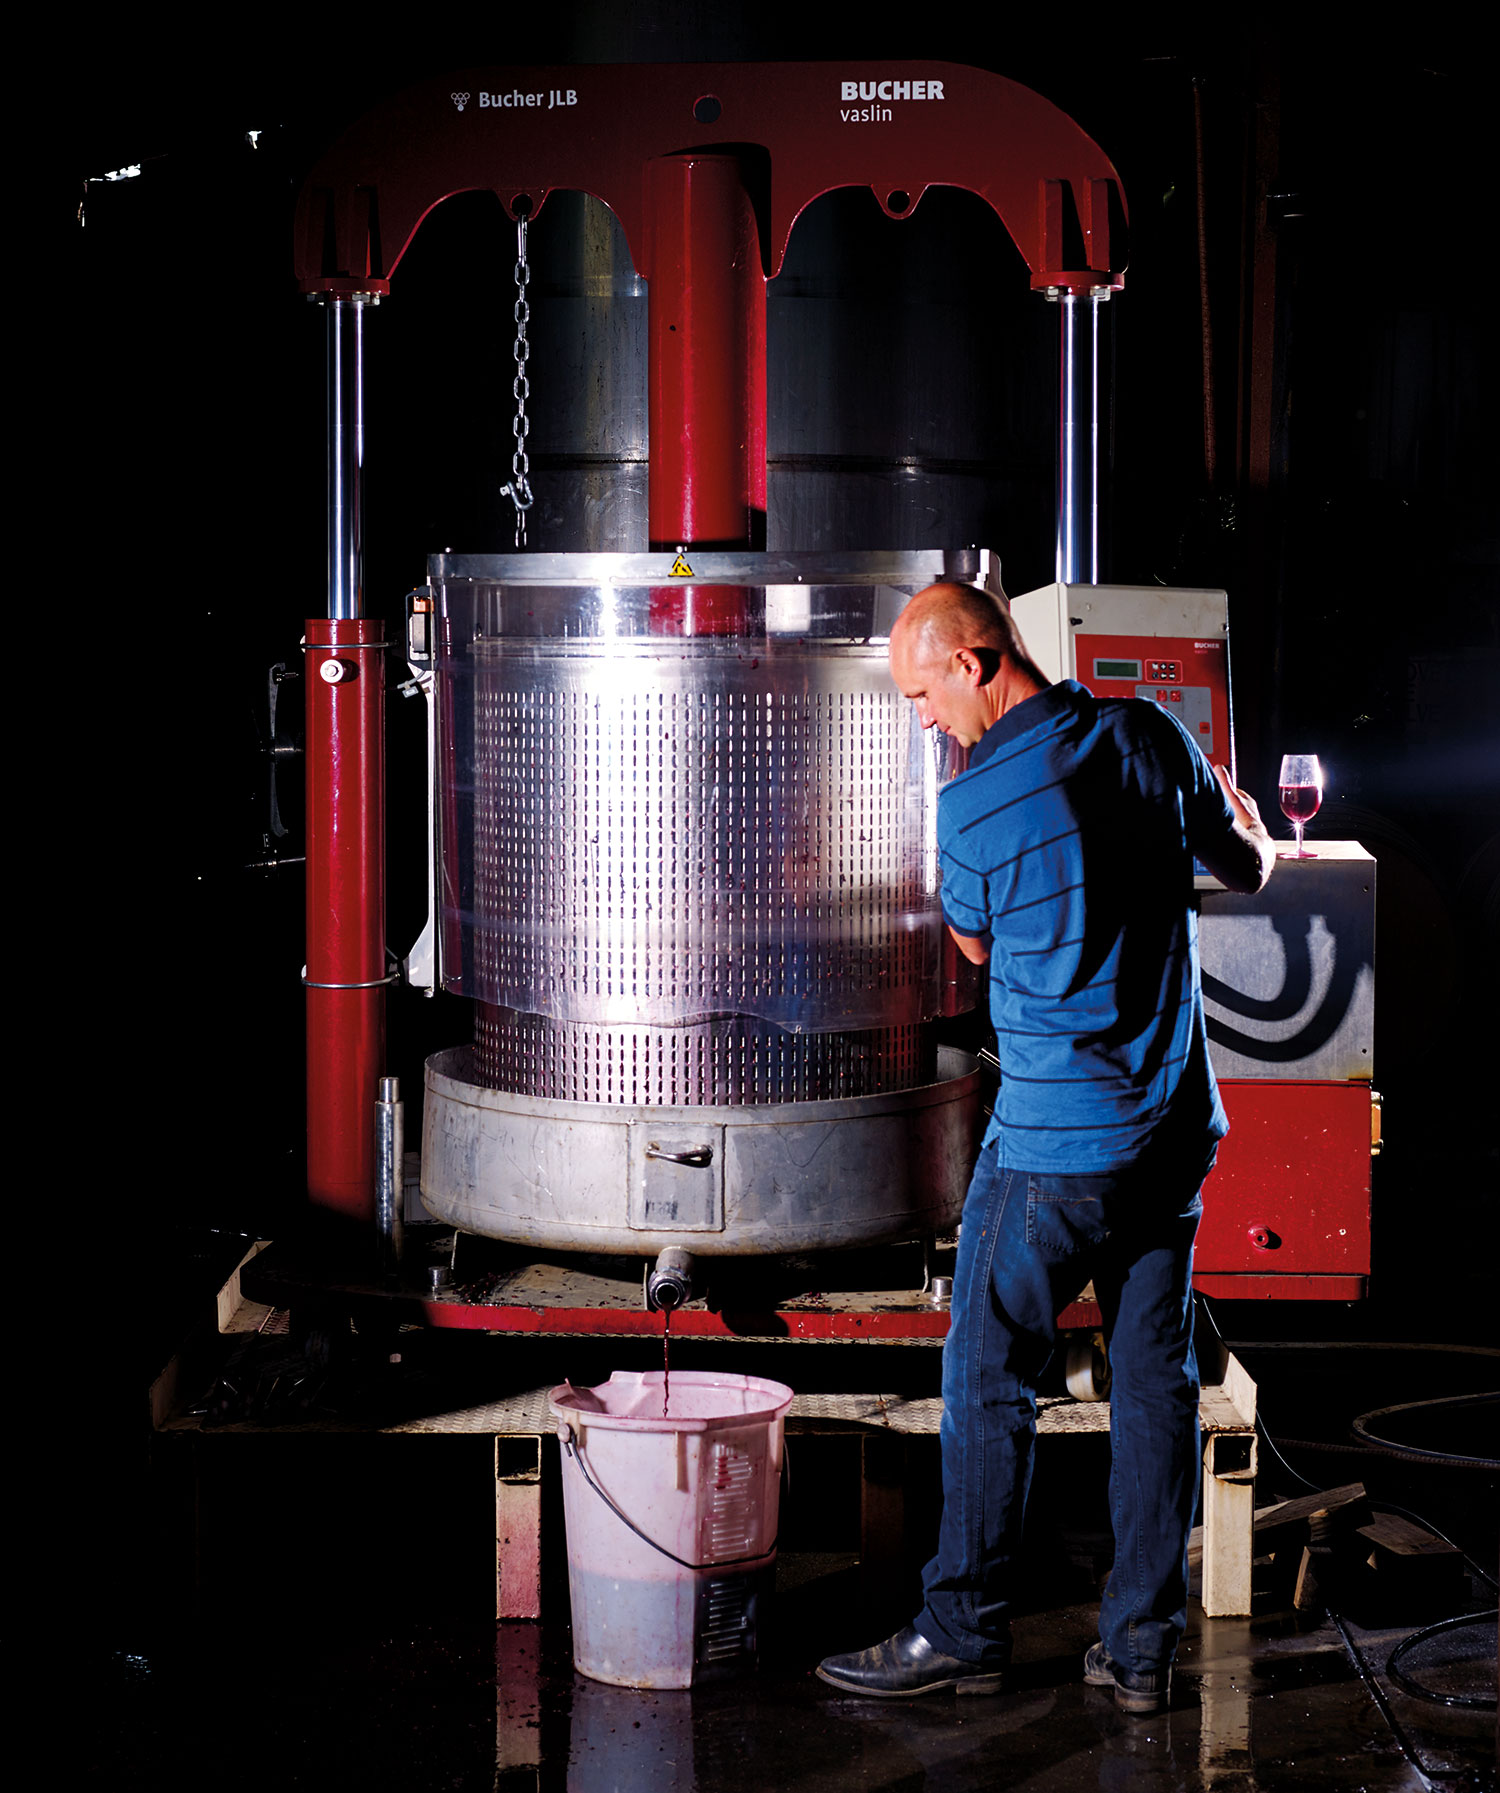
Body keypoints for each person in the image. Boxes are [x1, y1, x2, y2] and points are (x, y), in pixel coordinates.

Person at [817, 582, 1274, 1714]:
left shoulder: (972, 805)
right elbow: (1247, 862)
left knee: (986, 1379)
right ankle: (1140, 1647)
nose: (924, 718)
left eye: (923, 693)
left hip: (1053, 1152)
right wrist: (1248, 823)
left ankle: (962, 1627)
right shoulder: (1150, 733)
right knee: (1155, 1381)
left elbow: (972, 943)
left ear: (976, 661)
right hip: (1170, 1134)